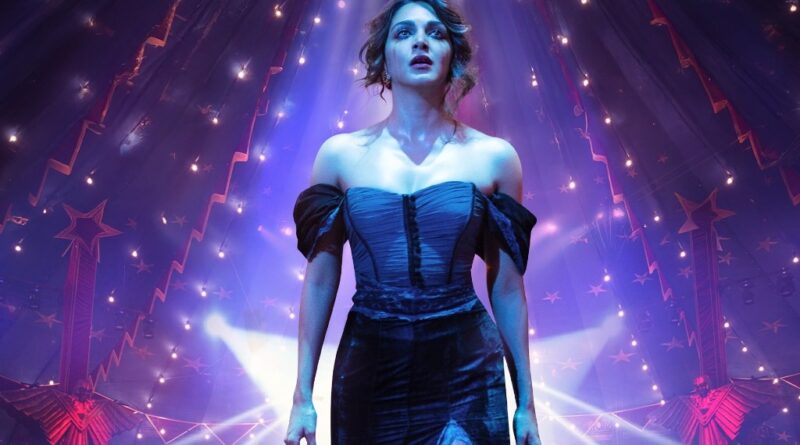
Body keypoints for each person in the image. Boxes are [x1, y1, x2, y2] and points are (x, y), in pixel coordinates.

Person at [285, 1, 541, 443]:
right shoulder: (339, 155)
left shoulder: (494, 157)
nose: (420, 41)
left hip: (466, 365)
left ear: (452, 55)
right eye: (404, 33)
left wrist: (527, 405)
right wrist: (301, 396)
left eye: (435, 33)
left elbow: (506, 287)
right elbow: (321, 278)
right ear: (383, 58)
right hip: (370, 365)